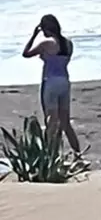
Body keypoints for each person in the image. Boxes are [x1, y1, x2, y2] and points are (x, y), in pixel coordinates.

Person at [22, 14, 82, 154]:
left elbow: (26, 53)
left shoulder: (47, 43)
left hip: (50, 82)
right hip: (64, 82)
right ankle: (78, 153)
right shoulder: (68, 43)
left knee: (51, 120)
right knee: (65, 122)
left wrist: (33, 35)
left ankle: (50, 154)